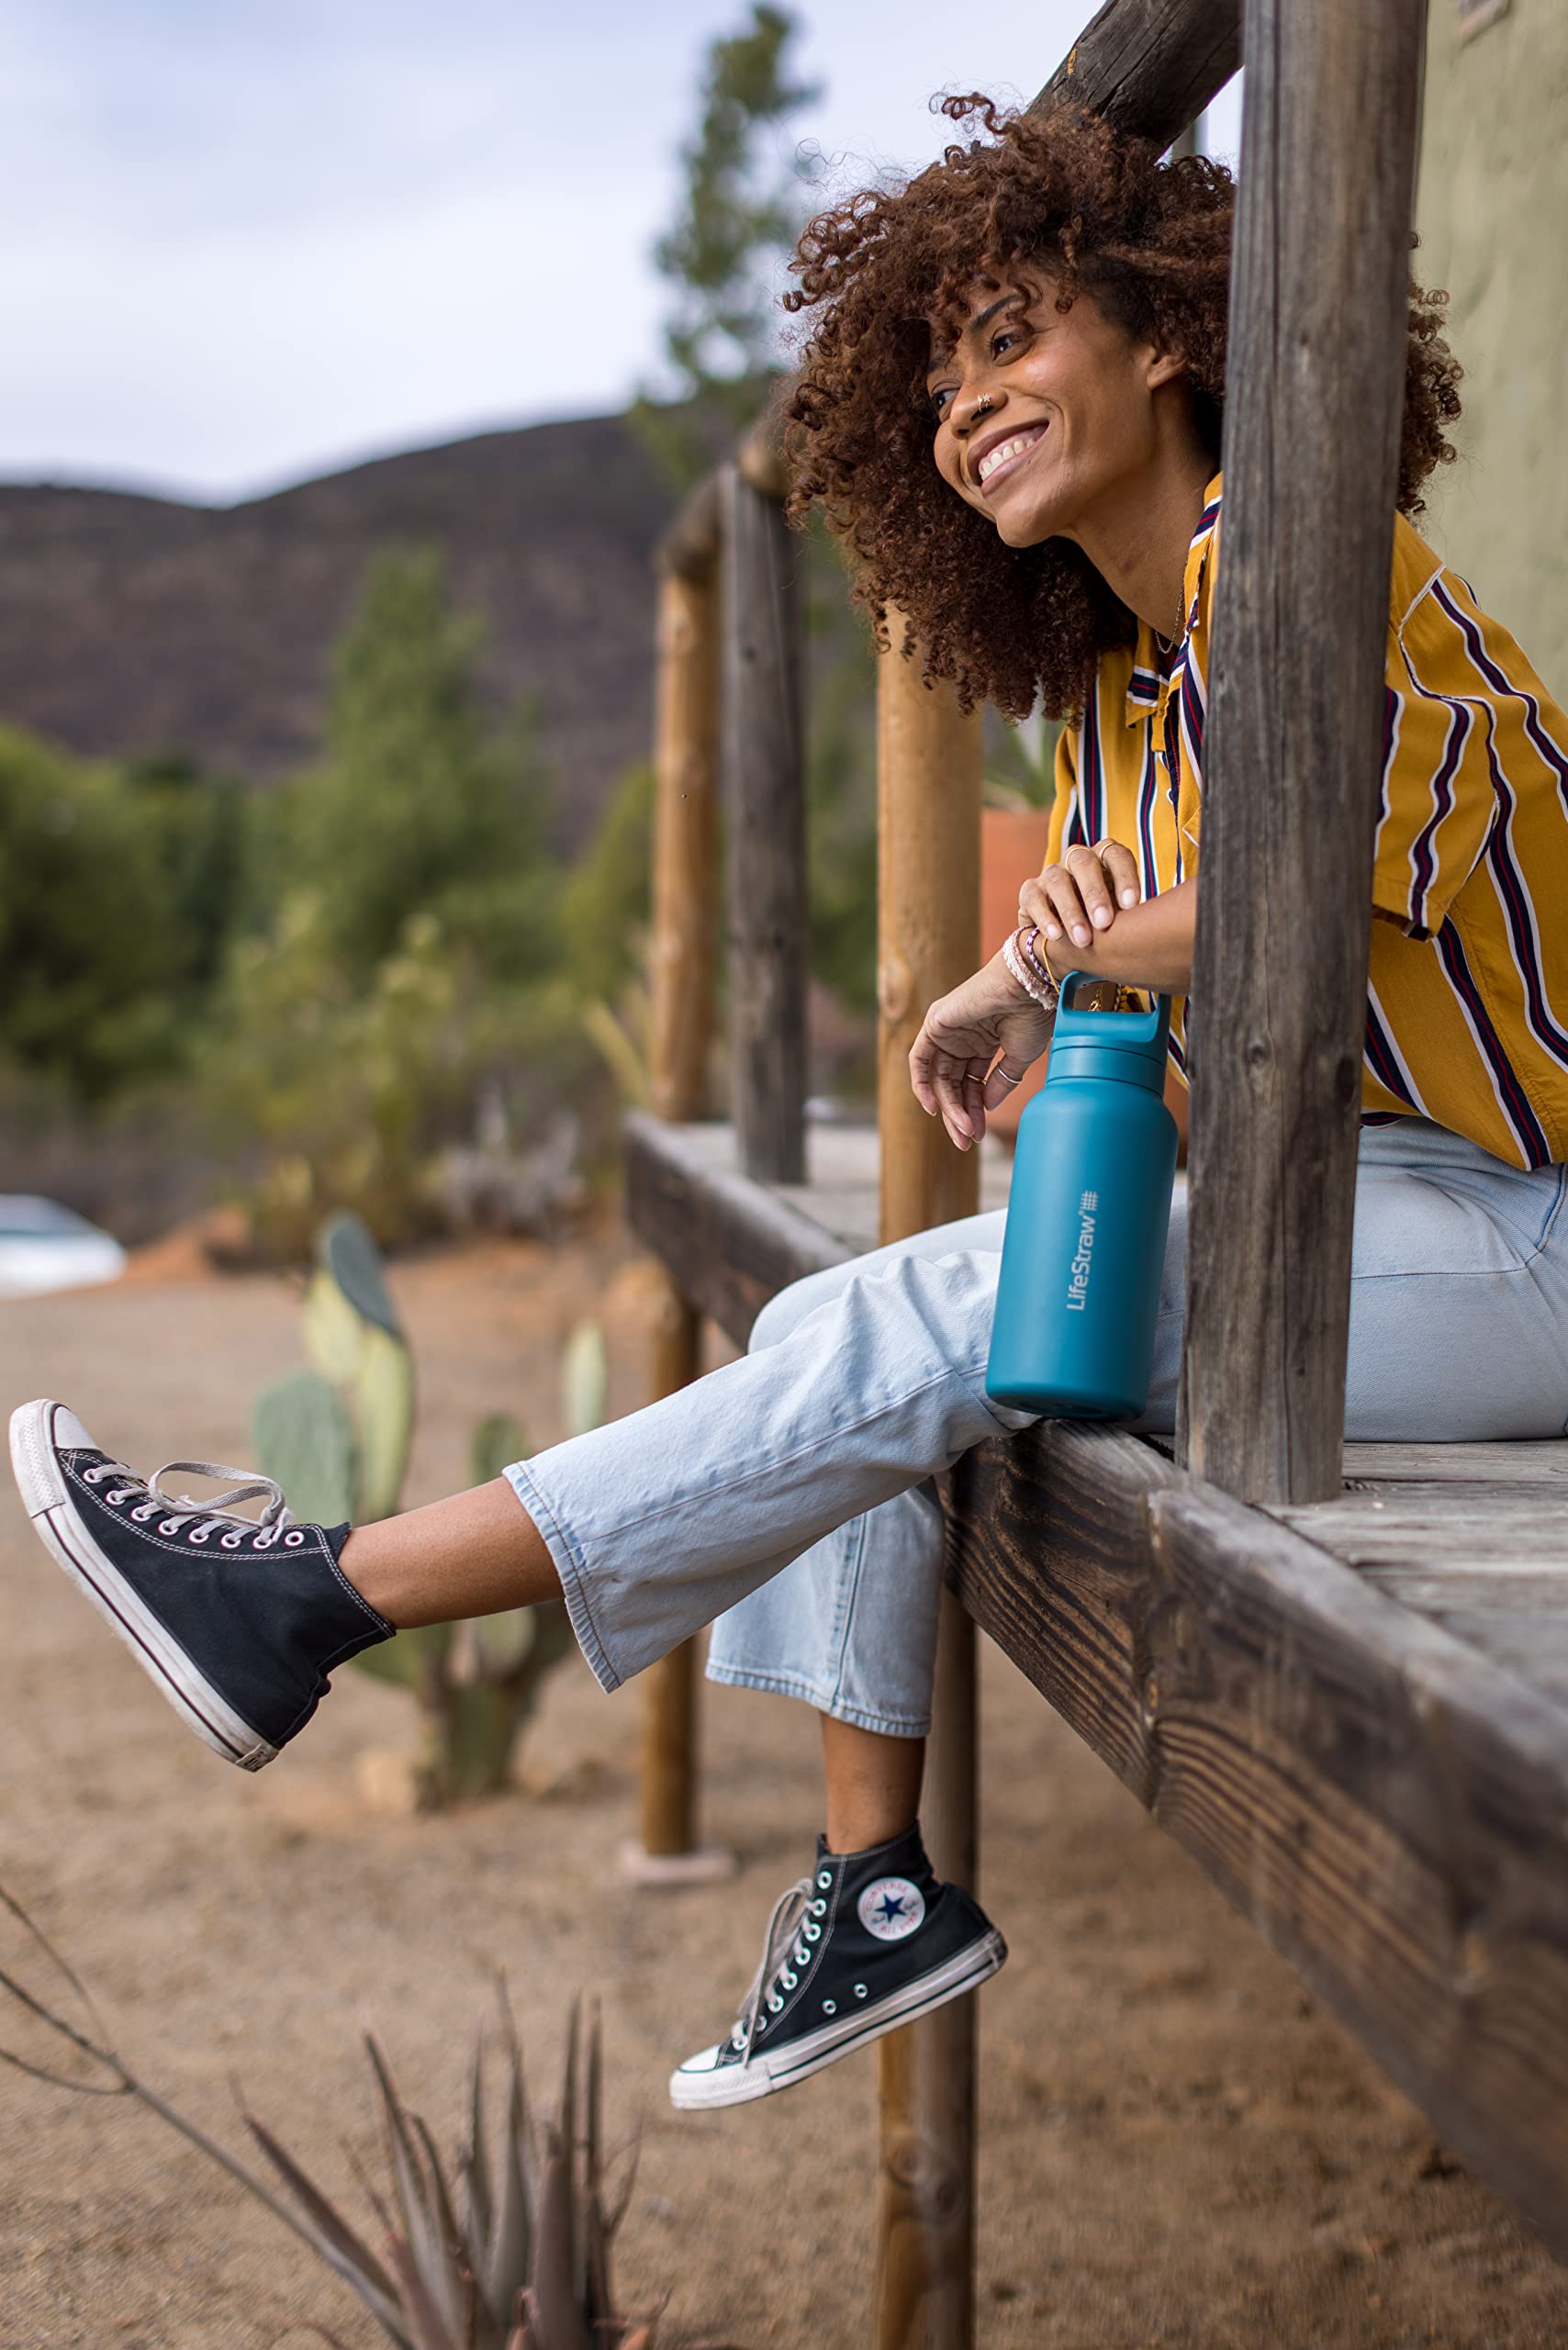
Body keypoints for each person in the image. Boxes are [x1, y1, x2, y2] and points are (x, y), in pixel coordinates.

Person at [14, 96, 1568, 2117]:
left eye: (1007, 336)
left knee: (929, 1323)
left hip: (1529, 1227)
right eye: (932, 380)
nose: (962, 403)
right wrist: (1078, 1032)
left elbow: (1358, 839)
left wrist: (1042, 960)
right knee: (853, 1307)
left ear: (1168, 331)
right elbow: (1234, 1041)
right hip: (1381, 1219)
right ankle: (870, 1882)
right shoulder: (1113, 697)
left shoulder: (1301, 564)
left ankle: (314, 1595)